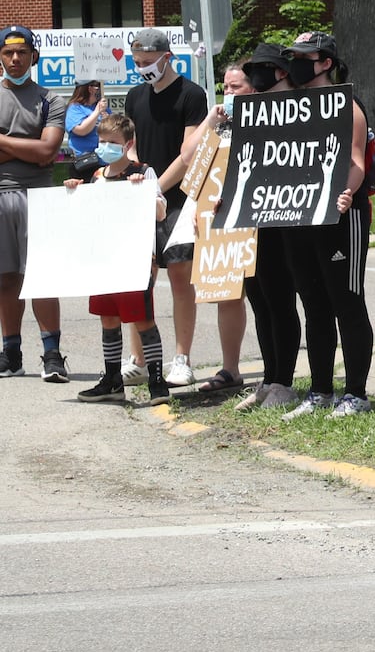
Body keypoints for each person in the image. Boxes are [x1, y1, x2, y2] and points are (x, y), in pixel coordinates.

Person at [276, 32, 375, 420]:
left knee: (346, 302)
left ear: (326, 63)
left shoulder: (347, 106)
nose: (297, 63)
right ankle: (320, 391)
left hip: (340, 216)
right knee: (314, 304)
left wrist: (348, 192)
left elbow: (356, 161)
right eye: (294, 57)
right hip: (299, 215)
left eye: (306, 57)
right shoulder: (290, 107)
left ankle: (356, 393)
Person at [124, 27, 208, 388]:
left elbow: (188, 155)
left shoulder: (191, 94)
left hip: (177, 199)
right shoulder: (134, 96)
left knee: (179, 277)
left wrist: (157, 185)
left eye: (148, 62)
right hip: (140, 196)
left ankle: (181, 358)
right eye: (137, 63)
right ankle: (139, 359)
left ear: (167, 58)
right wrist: (135, 174)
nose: (143, 69)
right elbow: (130, 145)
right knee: (136, 279)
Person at [69, 114, 170, 405]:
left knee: (143, 320)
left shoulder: (143, 172)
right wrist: (74, 193)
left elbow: (160, 212)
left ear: (128, 144)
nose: (105, 147)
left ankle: (156, 379)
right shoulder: (97, 177)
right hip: (103, 261)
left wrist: (143, 192)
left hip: (135, 260)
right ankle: (112, 379)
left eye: (112, 143)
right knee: (108, 318)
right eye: (102, 142)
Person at [178, 62, 256, 396]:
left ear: (253, 89)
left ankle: (279, 371)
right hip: (218, 223)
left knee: (267, 299)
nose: (230, 93)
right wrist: (212, 119)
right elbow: (188, 159)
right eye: (226, 87)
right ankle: (231, 369)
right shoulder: (220, 127)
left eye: (236, 87)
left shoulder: (263, 122)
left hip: (254, 219)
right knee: (227, 295)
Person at [232, 43, 302, 410]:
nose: (252, 80)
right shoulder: (251, 114)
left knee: (279, 298)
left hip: (288, 219)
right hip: (254, 215)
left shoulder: (302, 110)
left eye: (260, 70)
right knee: (259, 297)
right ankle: (270, 376)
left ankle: (284, 381)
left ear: (279, 72)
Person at [0, 25, 68, 382]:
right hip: (0, 195)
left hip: (39, 197)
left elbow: (48, 151)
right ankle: (11, 354)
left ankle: (52, 354)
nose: (15, 59)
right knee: (6, 279)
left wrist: (3, 142)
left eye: (22, 53)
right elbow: (37, 150)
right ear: (0, 57)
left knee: (42, 279)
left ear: (33, 56)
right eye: (9, 53)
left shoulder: (50, 99)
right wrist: (28, 147)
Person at [65, 81, 108, 157]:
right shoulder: (75, 108)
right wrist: (97, 112)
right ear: (90, 89)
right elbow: (81, 130)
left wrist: (108, 119)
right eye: (98, 86)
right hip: (84, 158)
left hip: (104, 156)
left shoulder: (103, 108)